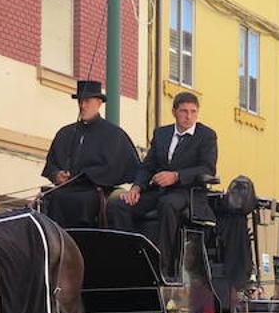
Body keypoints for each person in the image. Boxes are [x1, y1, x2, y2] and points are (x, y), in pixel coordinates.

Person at [107, 91, 218, 277]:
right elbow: (147, 166)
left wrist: (176, 176)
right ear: (174, 112)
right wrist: (136, 187)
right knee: (119, 204)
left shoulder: (206, 136)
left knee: (167, 205)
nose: (188, 116)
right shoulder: (162, 133)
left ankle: (161, 266)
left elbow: (207, 169)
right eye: (184, 111)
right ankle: (126, 259)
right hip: (159, 190)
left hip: (188, 192)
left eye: (193, 112)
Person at [41, 80, 139, 228]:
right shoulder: (65, 133)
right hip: (64, 191)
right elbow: (51, 166)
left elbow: (121, 168)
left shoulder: (114, 134)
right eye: (80, 101)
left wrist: (85, 176)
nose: (82, 106)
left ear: (99, 103)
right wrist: (57, 175)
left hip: (93, 191)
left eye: (87, 101)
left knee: (82, 201)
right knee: (48, 199)